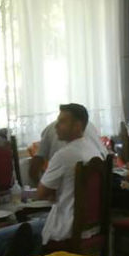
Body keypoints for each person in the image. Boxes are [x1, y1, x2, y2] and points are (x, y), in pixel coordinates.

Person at [36, 103, 102, 245]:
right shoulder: (94, 150)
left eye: (62, 122)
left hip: (66, 228)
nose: (56, 126)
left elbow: (41, 193)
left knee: (7, 234)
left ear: (77, 126)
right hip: (93, 226)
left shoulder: (63, 155)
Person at [29, 116, 106, 186]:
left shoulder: (60, 153)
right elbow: (104, 156)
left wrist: (39, 187)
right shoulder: (89, 125)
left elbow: (34, 169)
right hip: (99, 187)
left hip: (67, 189)